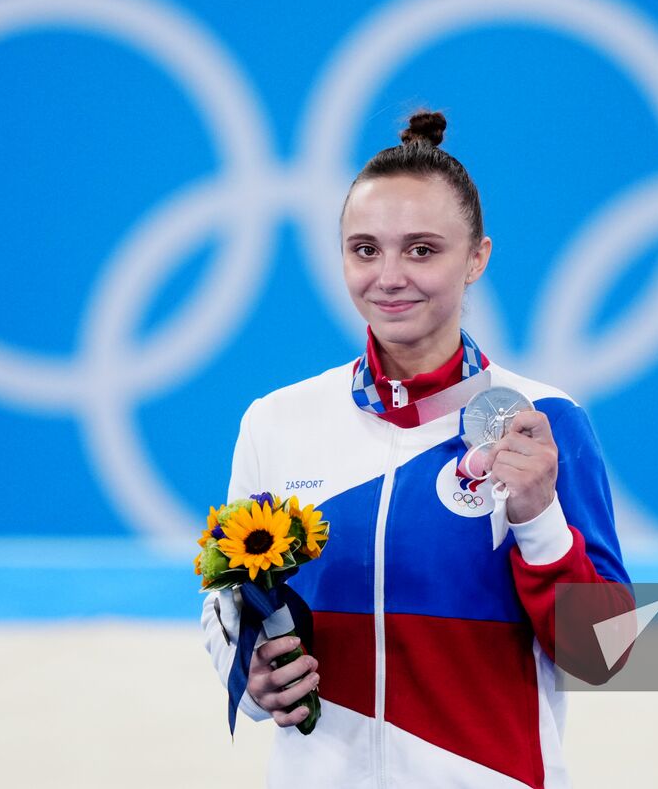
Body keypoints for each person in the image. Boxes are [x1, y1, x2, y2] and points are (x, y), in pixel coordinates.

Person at [200, 109, 633, 788]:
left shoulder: (544, 420)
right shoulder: (276, 421)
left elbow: (604, 653)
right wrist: (252, 679)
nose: (390, 275)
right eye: (365, 248)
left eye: (423, 249)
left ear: (477, 258)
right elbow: (229, 608)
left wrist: (540, 518)